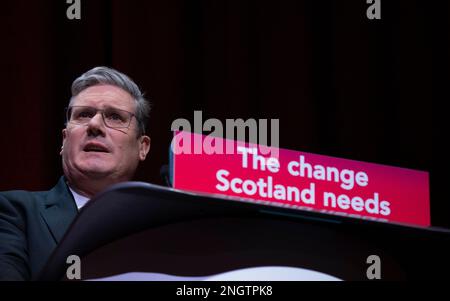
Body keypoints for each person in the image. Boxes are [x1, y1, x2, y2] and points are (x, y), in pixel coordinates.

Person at [0, 67, 151, 280]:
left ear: (142, 147)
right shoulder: (14, 214)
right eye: (83, 115)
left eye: (115, 117)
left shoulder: (166, 226)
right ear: (64, 140)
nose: (95, 125)